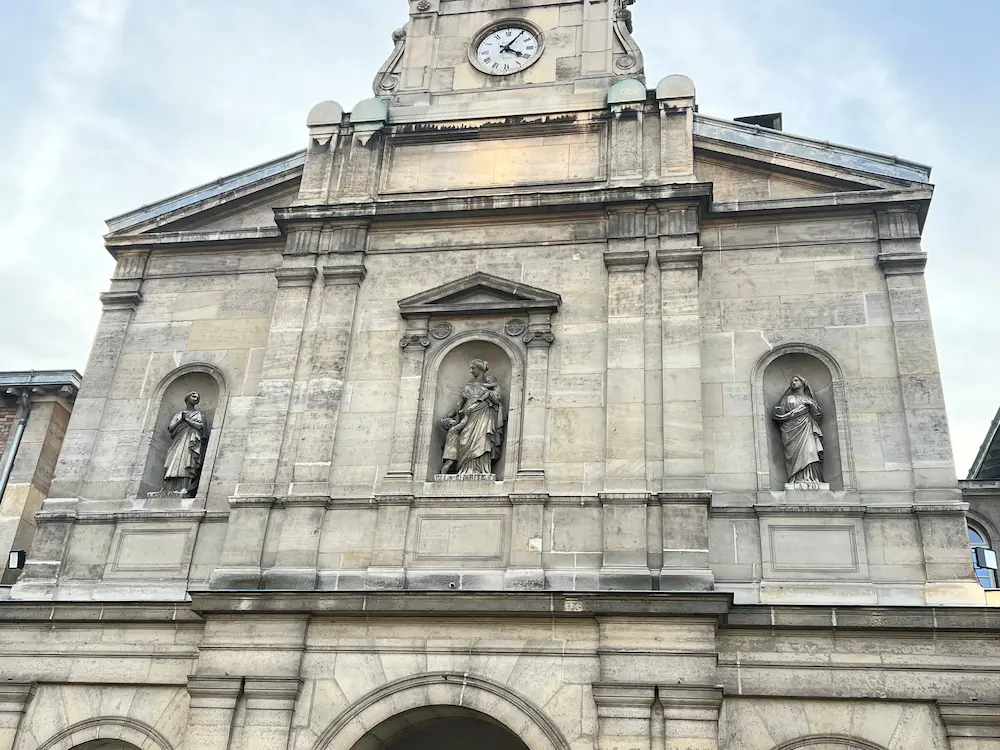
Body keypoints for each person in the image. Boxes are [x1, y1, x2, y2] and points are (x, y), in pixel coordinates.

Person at [439, 359, 505, 475]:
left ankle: (481, 470)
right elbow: (458, 407)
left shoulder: (491, 387)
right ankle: (465, 469)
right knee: (465, 440)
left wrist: (491, 393)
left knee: (482, 439)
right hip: (468, 415)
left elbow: (497, 400)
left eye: (473, 368)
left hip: (484, 414)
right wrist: (446, 417)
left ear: (480, 369)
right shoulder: (467, 387)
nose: (471, 371)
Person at [772, 375, 824, 484]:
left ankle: (812, 478)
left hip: (807, 428)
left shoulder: (810, 399)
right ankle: (796, 479)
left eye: (796, 380)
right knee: (795, 456)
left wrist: (812, 406)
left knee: (810, 451)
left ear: (803, 382)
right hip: (791, 431)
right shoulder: (788, 399)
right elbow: (780, 415)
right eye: (792, 381)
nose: (793, 382)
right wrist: (789, 412)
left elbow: (818, 417)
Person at [162, 391, 207, 496]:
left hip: (191, 440)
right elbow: (171, 428)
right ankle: (169, 488)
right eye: (193, 396)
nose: (196, 398)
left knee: (187, 462)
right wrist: (181, 419)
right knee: (169, 464)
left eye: (197, 397)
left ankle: (184, 487)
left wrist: (187, 420)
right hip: (178, 440)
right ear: (187, 398)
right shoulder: (179, 414)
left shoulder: (199, 414)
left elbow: (200, 427)